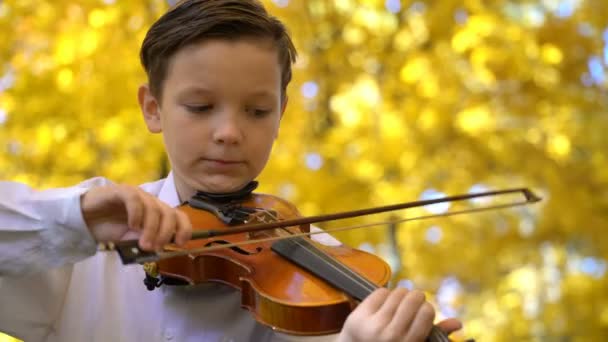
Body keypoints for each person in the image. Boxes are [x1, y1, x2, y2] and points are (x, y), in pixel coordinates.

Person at [0, 1, 462, 341]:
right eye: (200, 107)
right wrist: (70, 218)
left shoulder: (323, 282)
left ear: (281, 114)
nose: (229, 132)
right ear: (153, 108)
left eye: (257, 111)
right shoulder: (85, 240)